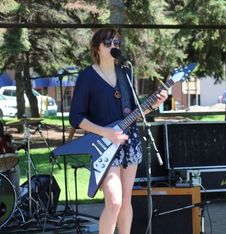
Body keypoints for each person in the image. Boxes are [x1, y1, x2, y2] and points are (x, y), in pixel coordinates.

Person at [69, 28, 168, 234]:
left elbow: (135, 111)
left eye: (117, 43)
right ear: (97, 48)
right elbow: (76, 118)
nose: (114, 46)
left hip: (128, 140)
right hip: (103, 144)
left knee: (125, 201)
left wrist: (154, 104)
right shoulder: (87, 76)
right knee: (113, 201)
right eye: (108, 43)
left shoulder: (126, 72)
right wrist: (106, 132)